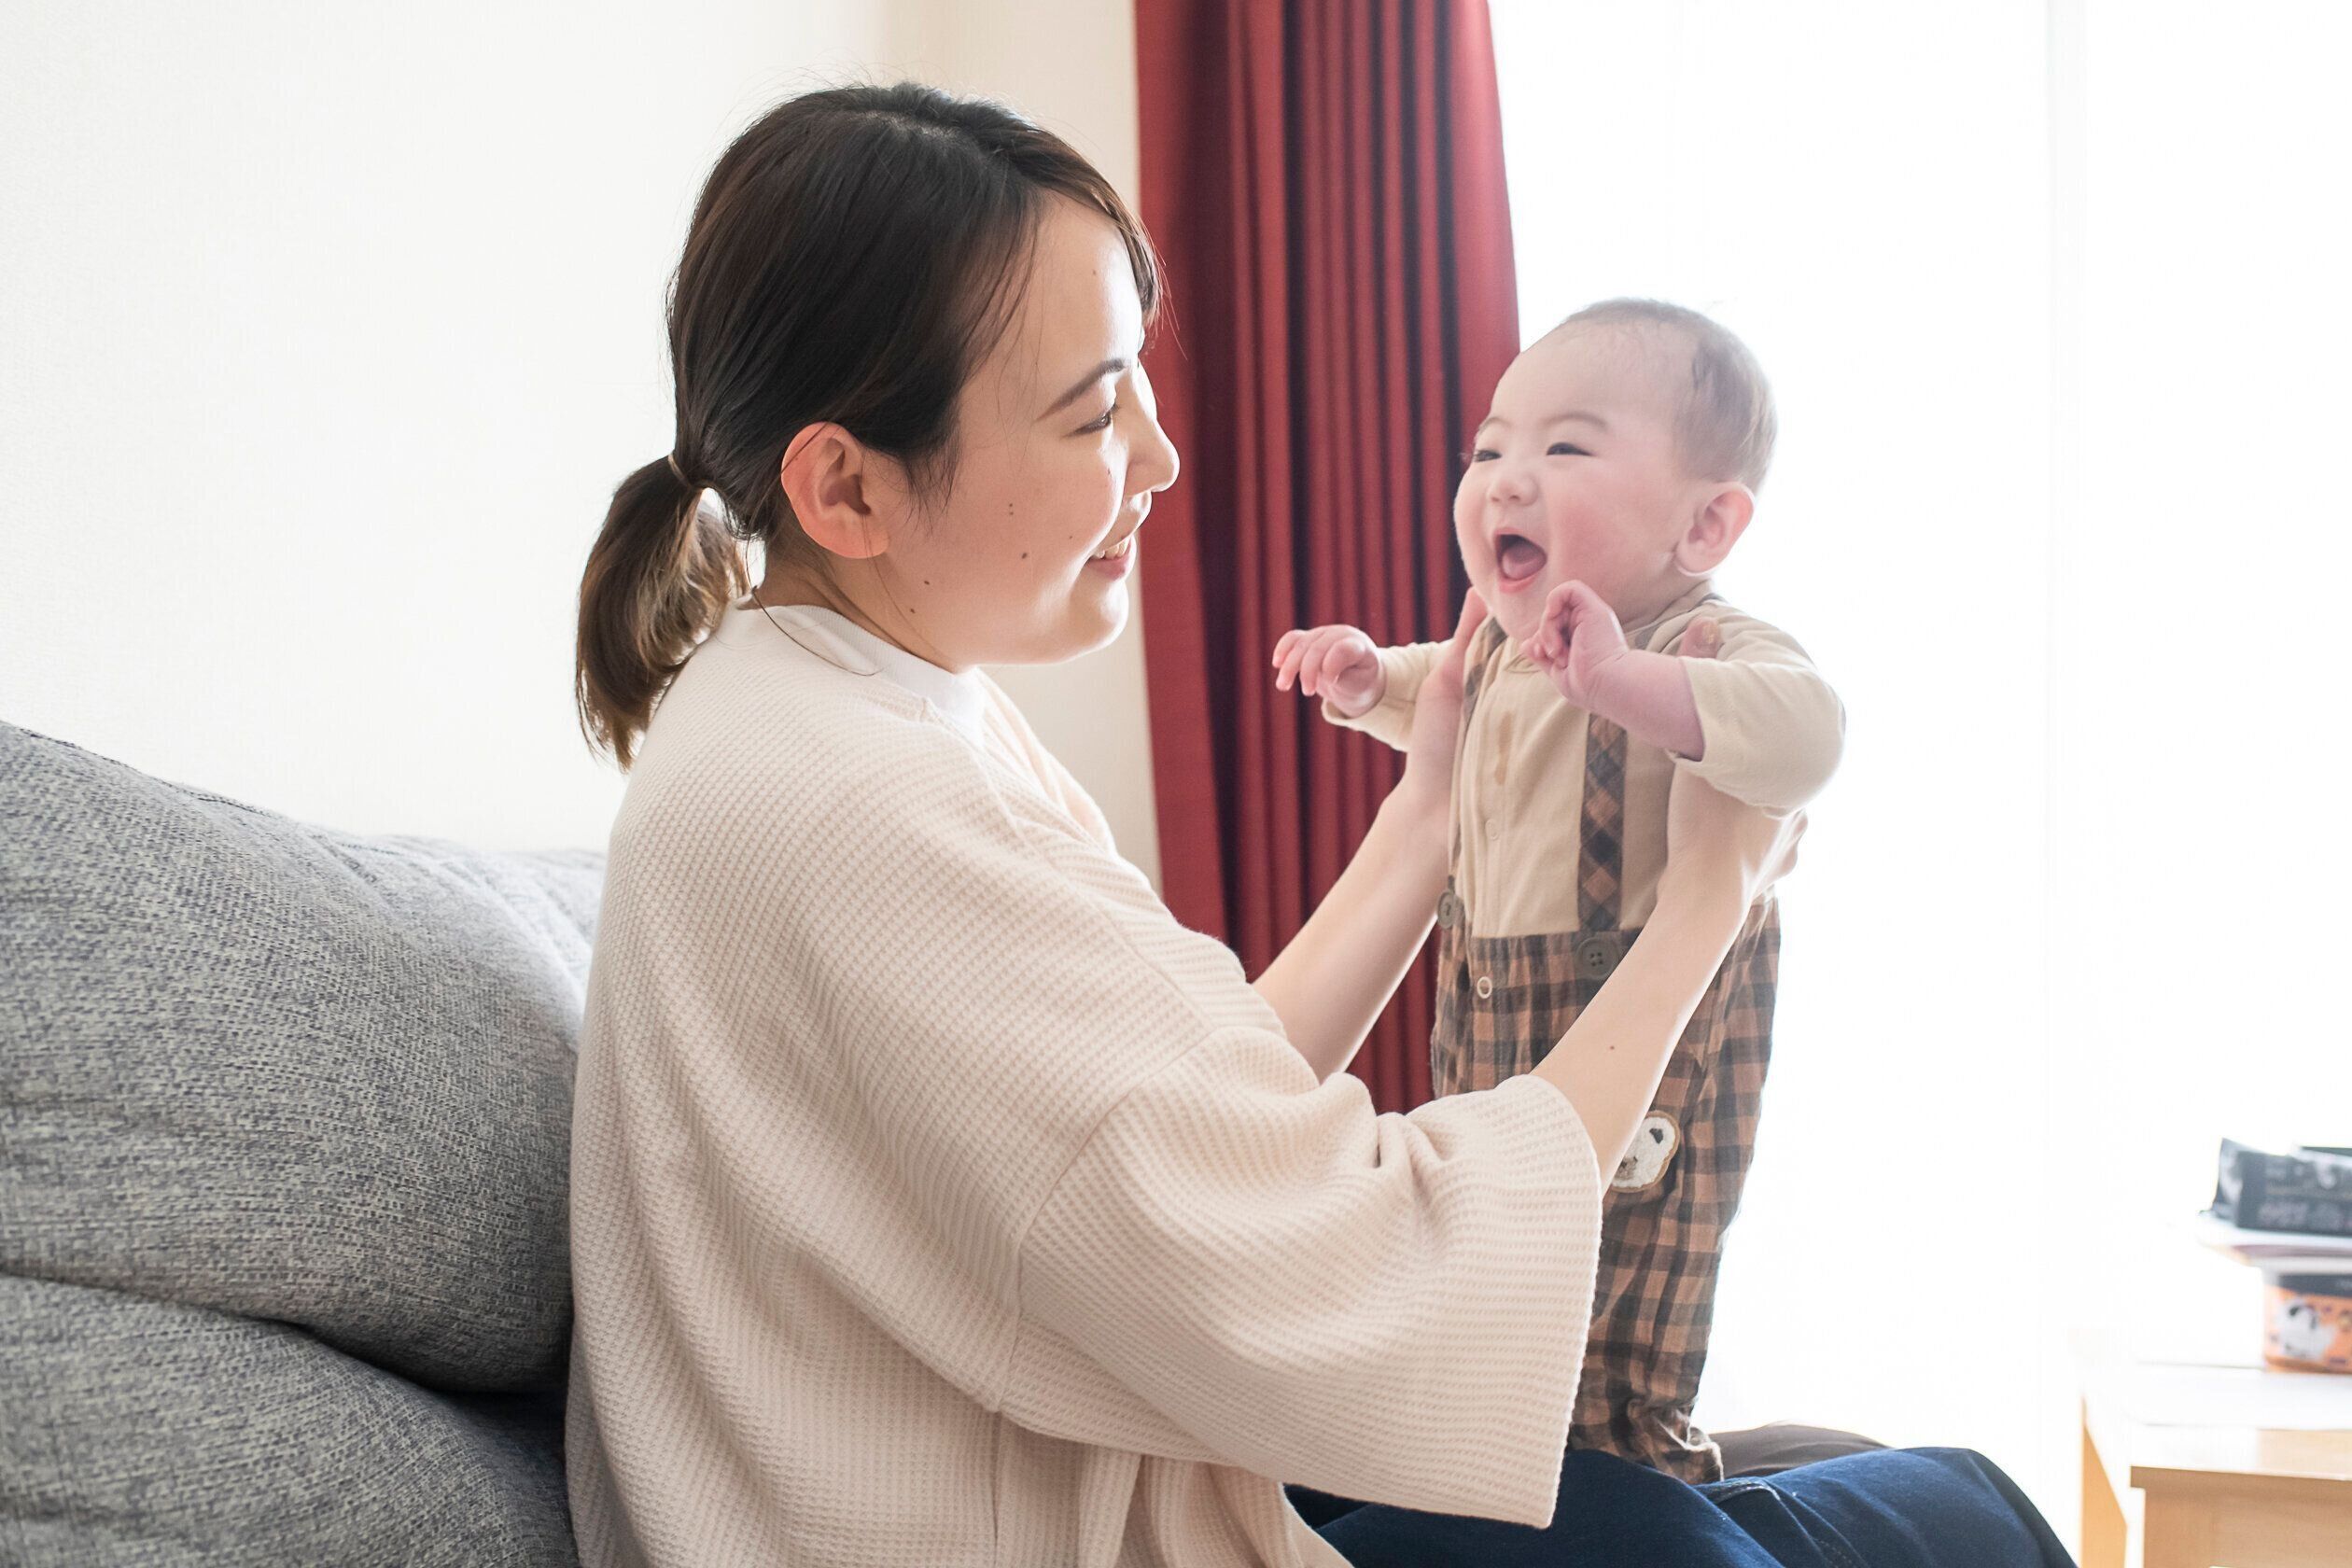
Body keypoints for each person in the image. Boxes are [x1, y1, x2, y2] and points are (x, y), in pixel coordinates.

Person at [566, 81, 2075, 1567]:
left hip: (1092, 1466)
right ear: (846, 488)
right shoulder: (861, 812)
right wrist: (1705, 906)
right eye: (1095, 409)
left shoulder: (842, 705)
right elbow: (1372, 1272)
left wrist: (1427, 825)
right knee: (1941, 1519)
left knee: (1927, 1504)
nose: (1160, 455)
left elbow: (1171, 1124)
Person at [1272, 301, 1844, 1480]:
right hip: (1490, 1000)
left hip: (1647, 1018)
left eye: (1566, 447)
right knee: (1489, 1240)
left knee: (1622, 1270)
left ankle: (1626, 1457)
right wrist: (1369, 681)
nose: (1506, 479)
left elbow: (1809, 736)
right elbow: (1442, 701)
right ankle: (1490, 1434)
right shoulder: (1498, 642)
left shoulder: (1699, 645)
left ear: (1706, 524)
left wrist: (1632, 687)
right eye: (1488, 449)